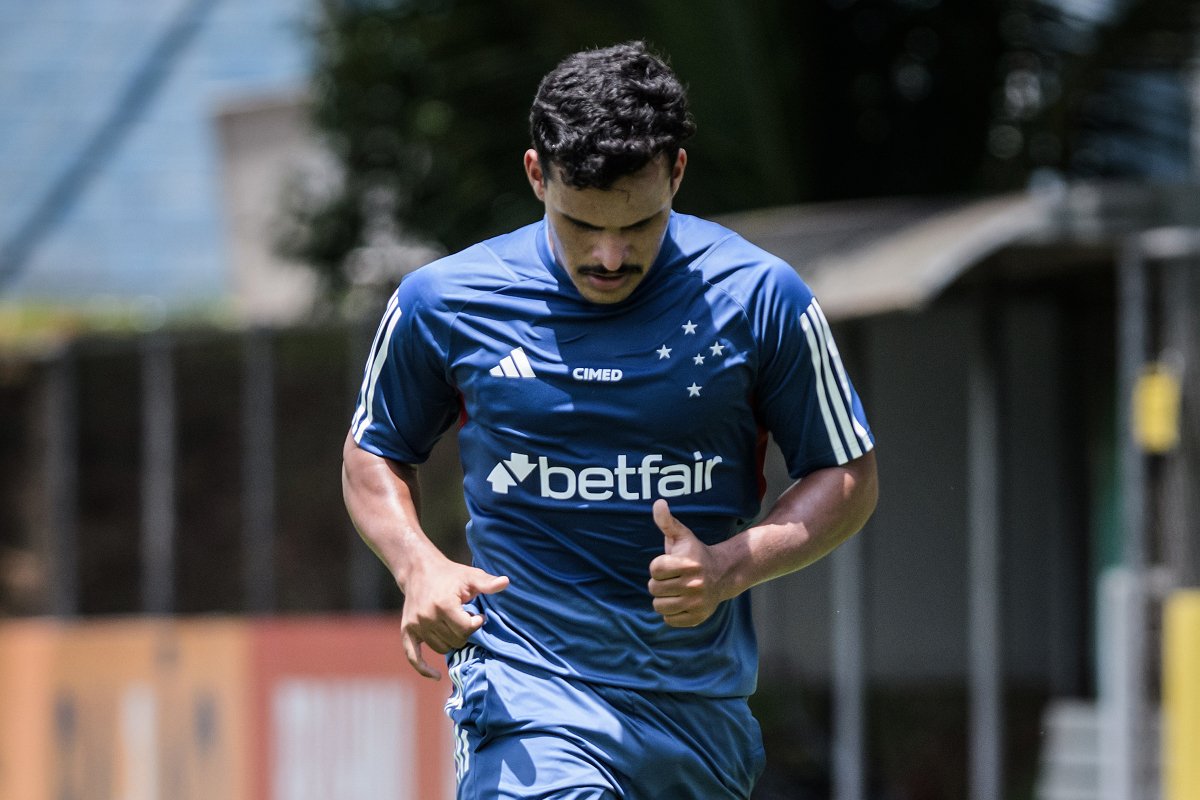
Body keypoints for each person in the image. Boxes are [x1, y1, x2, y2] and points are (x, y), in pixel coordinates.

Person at [342, 41, 878, 800]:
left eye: (640, 225)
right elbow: (373, 450)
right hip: (527, 691)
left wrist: (729, 566)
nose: (609, 255)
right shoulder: (445, 303)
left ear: (678, 174)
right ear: (537, 175)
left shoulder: (762, 299)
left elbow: (847, 472)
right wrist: (416, 563)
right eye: (580, 224)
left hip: (696, 711)